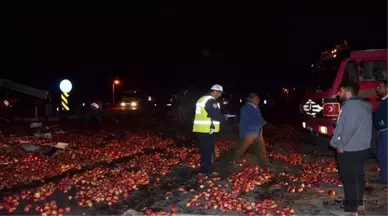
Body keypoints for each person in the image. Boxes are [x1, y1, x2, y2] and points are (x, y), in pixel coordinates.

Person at [329, 83, 372, 216]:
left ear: (348, 93)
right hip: (362, 147)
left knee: (349, 178)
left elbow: (349, 129)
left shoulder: (351, 107)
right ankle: (357, 203)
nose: (338, 94)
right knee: (358, 176)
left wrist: (340, 145)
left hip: (350, 149)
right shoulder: (364, 105)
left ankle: (351, 209)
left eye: (340, 91)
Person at [234, 93, 275, 170]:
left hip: (258, 132)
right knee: (241, 148)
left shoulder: (256, 108)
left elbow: (259, 117)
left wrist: (263, 122)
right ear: (251, 99)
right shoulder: (246, 108)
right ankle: (230, 161)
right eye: (257, 99)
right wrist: (261, 123)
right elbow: (250, 120)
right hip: (249, 133)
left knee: (261, 149)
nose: (259, 100)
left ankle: (265, 164)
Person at [192, 84, 226, 176]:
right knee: (208, 151)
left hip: (200, 129)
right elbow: (215, 116)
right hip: (207, 130)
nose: (220, 95)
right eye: (219, 93)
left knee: (204, 150)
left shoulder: (202, 99)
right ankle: (208, 171)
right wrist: (225, 118)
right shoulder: (211, 101)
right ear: (215, 92)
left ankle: (204, 168)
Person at [375, 80, 388, 184]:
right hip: (383, 131)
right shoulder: (384, 101)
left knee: (385, 155)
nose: (377, 88)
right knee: (382, 155)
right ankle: (384, 178)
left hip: (386, 131)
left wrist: (381, 124)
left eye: (380, 87)